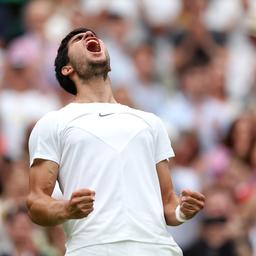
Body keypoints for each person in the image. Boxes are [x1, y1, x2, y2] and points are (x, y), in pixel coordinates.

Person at [26, 27, 205, 256]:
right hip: (93, 250)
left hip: (157, 249)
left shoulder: (150, 122)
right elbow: (35, 202)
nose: (89, 37)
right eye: (79, 39)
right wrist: (67, 209)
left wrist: (182, 211)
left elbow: (168, 203)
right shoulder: (53, 123)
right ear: (67, 68)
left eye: (92, 35)